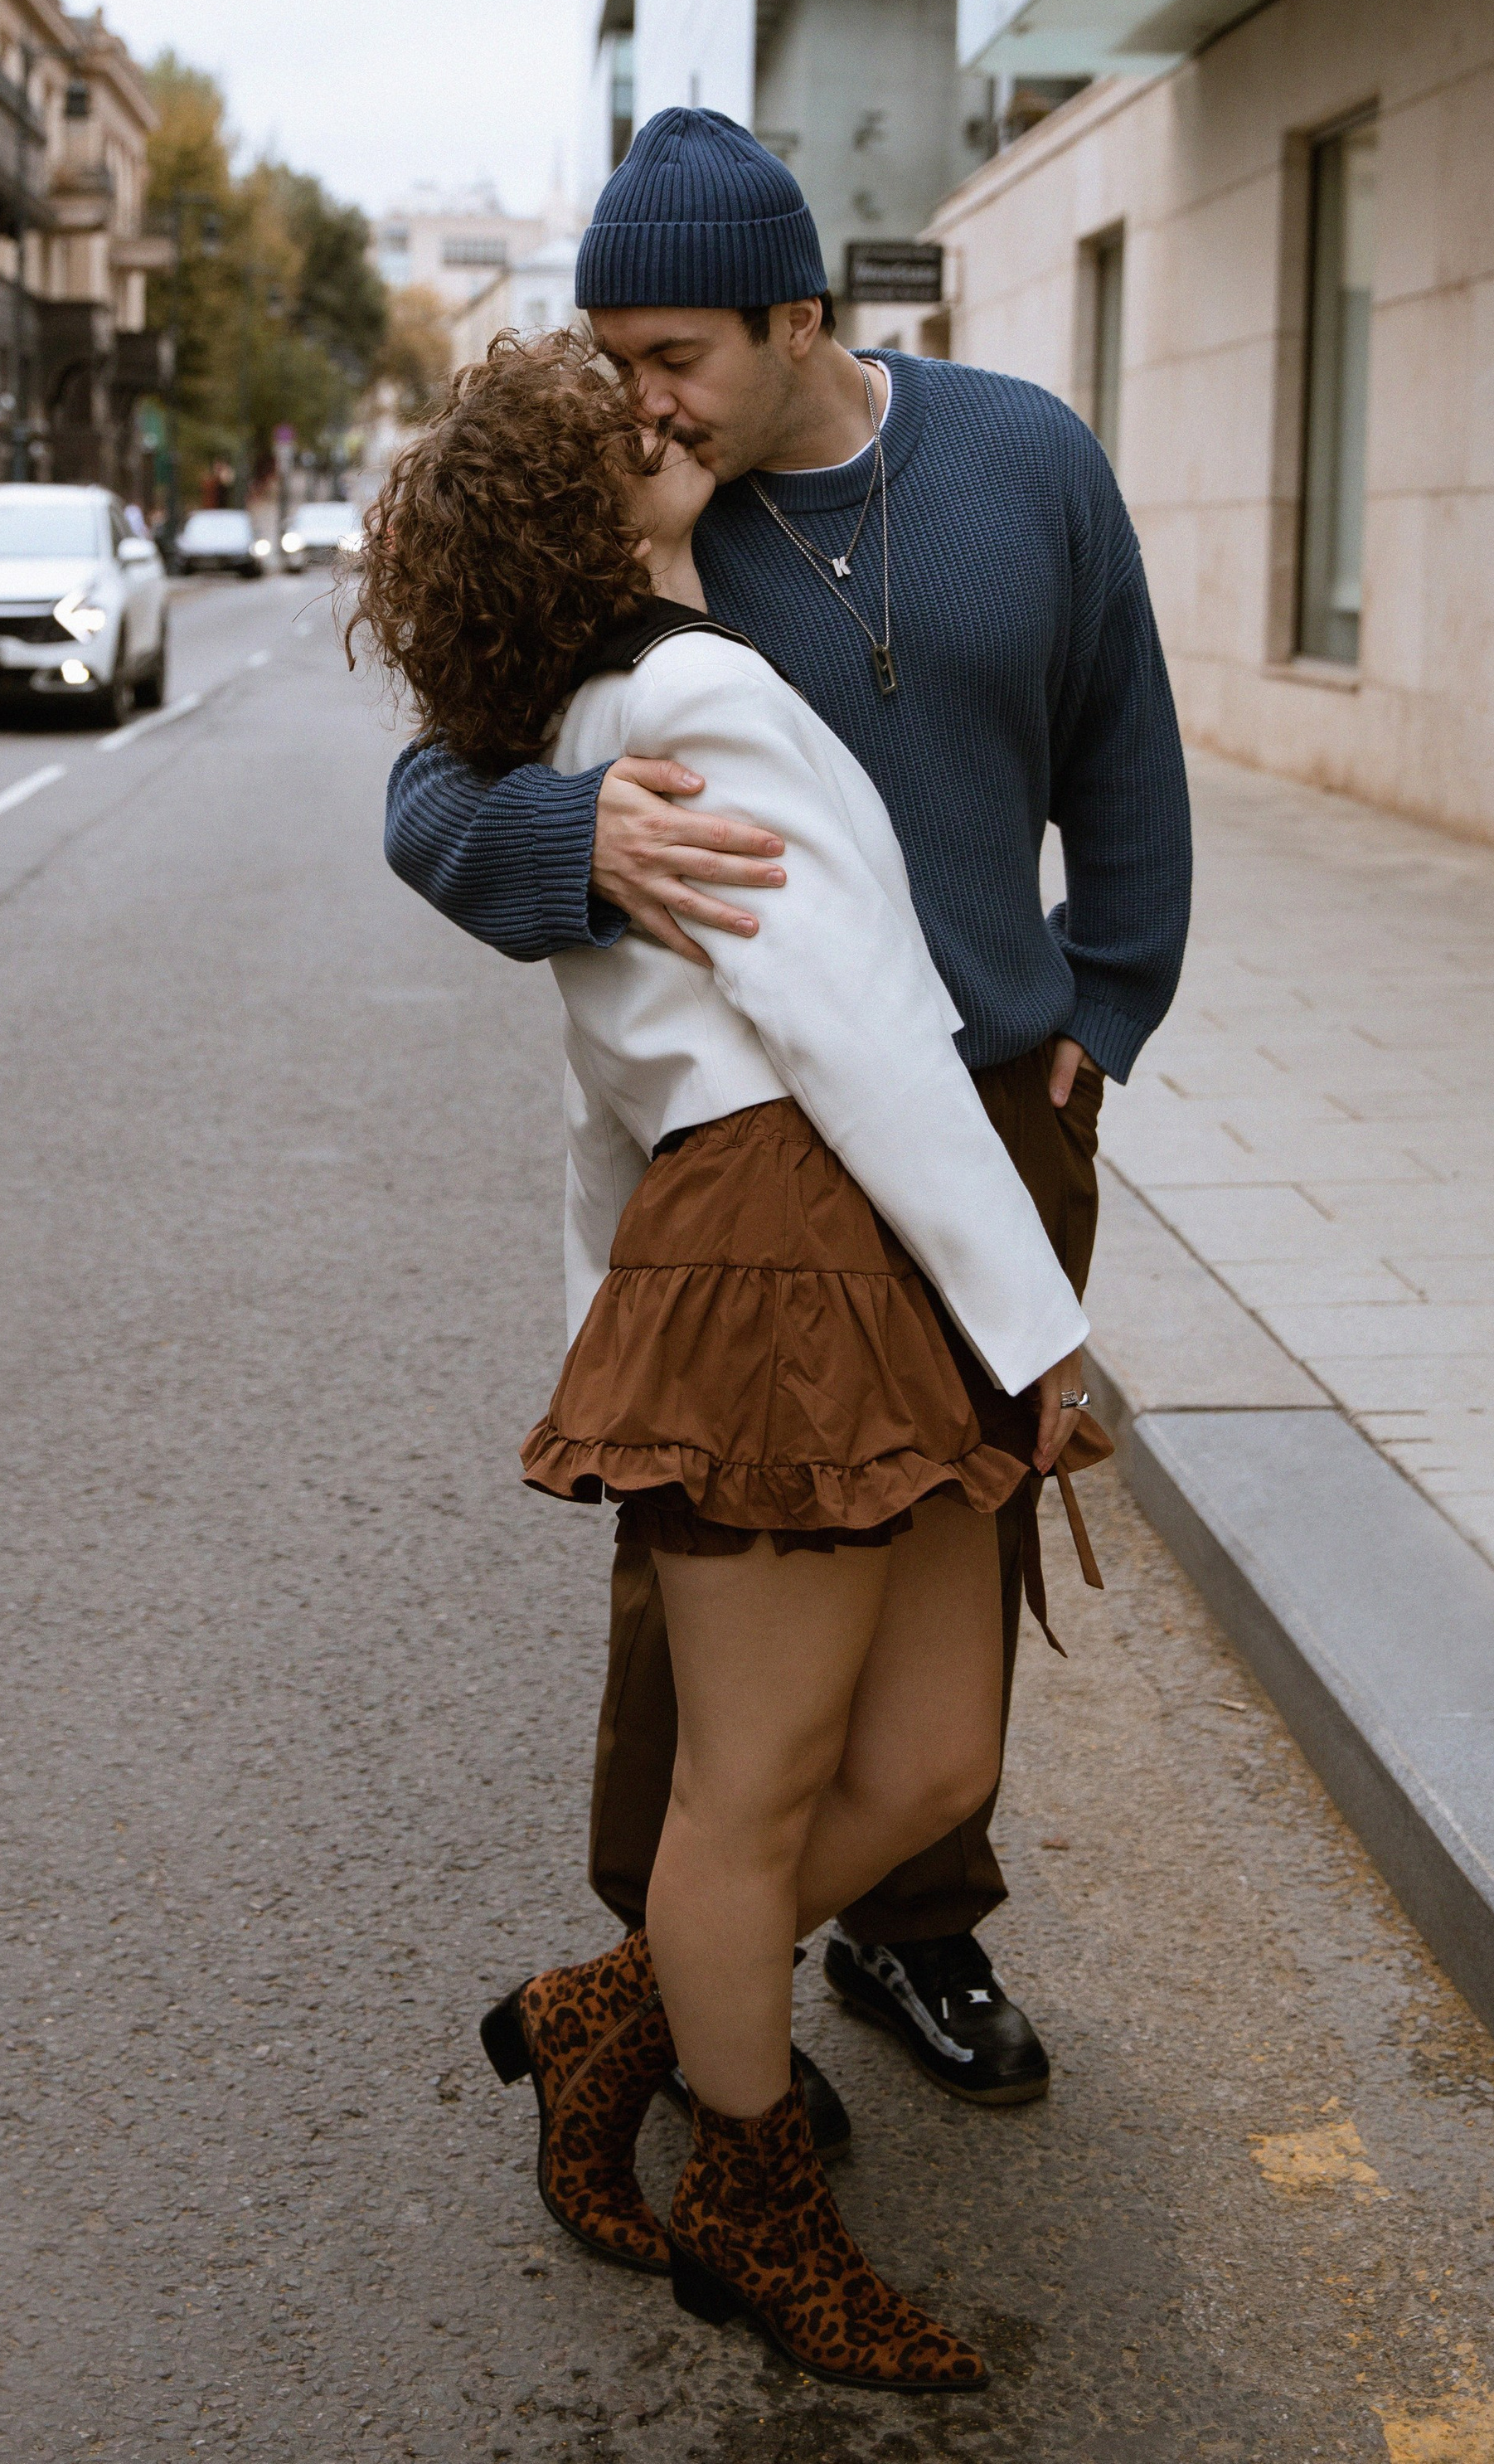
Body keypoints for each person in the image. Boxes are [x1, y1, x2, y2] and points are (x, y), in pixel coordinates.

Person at [385, 109, 1191, 2145]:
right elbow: (425, 799)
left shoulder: (1024, 460)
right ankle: (679, 1946)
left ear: (797, 317)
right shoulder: (634, 514)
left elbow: (1123, 756)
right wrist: (569, 832)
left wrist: (1106, 1002)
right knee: (715, 1592)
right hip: (751, 1161)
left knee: (951, 1544)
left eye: (671, 353)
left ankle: (903, 1924)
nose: (634, 396)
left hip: (991, 1103)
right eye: (608, 354)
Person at [351, 333, 1108, 2392]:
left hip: (826, 1242)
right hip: (797, 1236)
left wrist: (614, 1289)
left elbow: (603, 1085)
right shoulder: (677, 701)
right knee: (753, 1788)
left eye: (658, 394)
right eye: (623, 431)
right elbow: (857, 1031)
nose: (661, 422)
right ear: (578, 521)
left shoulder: (602, 733)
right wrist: (1038, 1340)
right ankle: (758, 2213)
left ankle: (608, 2019)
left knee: (929, 1763)